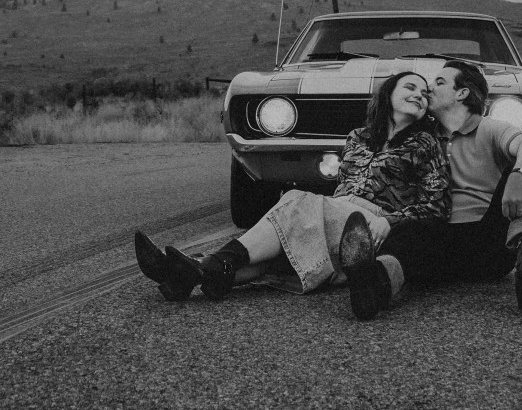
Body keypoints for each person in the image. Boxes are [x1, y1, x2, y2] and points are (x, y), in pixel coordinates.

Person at [134, 71, 450, 309]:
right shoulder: (358, 137)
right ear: (388, 94)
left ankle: (208, 263)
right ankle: (191, 274)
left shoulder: (426, 144)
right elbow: (343, 187)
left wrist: (389, 221)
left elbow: (438, 205)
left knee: (295, 200)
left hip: (369, 224)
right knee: (280, 252)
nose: (419, 95)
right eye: (410, 87)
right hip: (337, 210)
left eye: (425, 94)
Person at [339, 59, 522, 318]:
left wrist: (520, 174)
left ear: (461, 93)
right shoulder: (422, 136)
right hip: (437, 241)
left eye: (439, 82)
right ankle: (372, 288)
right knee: (409, 234)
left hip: (490, 242)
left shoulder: (490, 128)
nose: (429, 89)